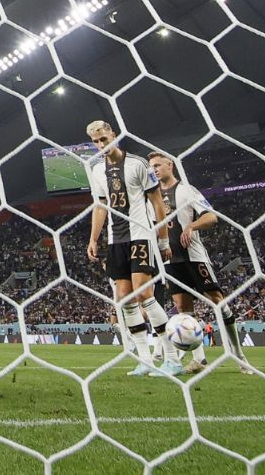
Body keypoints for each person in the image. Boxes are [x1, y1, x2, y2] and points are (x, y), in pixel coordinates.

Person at [84, 121, 180, 377]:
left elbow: (158, 203)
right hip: (117, 241)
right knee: (124, 300)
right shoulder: (95, 171)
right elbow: (100, 206)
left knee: (144, 295)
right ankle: (145, 360)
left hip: (140, 235)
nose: (101, 145)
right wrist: (94, 239)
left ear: (114, 135)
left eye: (104, 139)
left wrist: (162, 240)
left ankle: (172, 359)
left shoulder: (138, 164)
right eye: (96, 142)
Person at [147, 151, 253, 374]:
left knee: (218, 302)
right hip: (170, 260)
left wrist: (191, 226)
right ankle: (199, 360)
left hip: (194, 257)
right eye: (152, 167)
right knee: (183, 308)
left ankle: (239, 355)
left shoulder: (186, 190)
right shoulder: (152, 196)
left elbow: (211, 216)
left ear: (170, 165)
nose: (154, 169)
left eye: (158, 165)